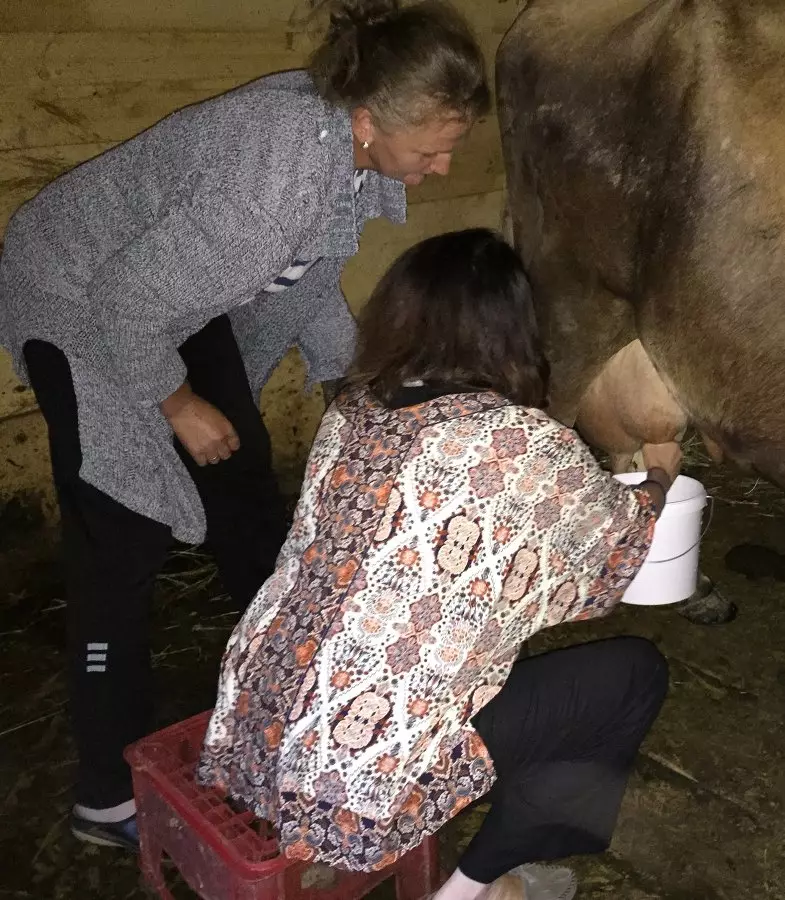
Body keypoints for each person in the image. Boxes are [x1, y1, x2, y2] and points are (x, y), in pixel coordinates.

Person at [0, 0, 489, 851]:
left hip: (167, 293)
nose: (443, 168)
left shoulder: (345, 153)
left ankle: (289, 700)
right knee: (121, 533)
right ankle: (104, 790)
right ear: (369, 120)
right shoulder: (273, 183)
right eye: (433, 149)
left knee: (245, 490)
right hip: (79, 296)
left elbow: (303, 283)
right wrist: (178, 404)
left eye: (453, 147)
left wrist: (355, 389)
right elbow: (124, 305)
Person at [197, 228, 682, 900]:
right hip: (357, 782)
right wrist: (658, 482)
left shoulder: (352, 413)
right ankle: (471, 889)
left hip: (254, 723)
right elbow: (615, 556)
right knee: (632, 676)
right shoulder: (518, 442)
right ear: (515, 331)